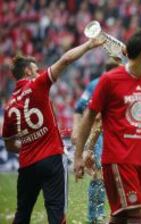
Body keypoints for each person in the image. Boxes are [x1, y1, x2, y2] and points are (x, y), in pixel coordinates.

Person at [74, 31, 141, 224]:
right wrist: (80, 154)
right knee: (139, 214)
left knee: (120, 216)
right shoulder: (109, 80)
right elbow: (90, 118)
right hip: (118, 159)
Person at [1, 38, 103, 224]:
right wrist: (88, 45)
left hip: (27, 165)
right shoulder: (37, 84)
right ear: (28, 71)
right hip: (51, 160)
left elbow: (9, 144)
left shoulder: (9, 108)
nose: (39, 72)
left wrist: (29, 145)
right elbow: (64, 60)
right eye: (36, 69)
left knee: (22, 214)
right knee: (56, 213)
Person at [71, 58, 120, 223]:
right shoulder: (95, 85)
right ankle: (95, 216)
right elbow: (79, 109)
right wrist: (77, 131)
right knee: (98, 174)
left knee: (113, 176)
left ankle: (114, 214)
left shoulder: (123, 84)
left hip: (114, 135)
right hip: (96, 133)